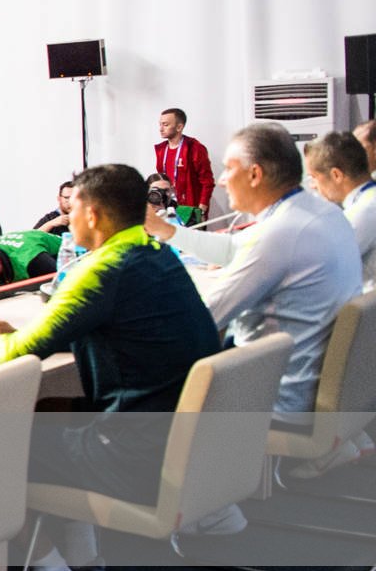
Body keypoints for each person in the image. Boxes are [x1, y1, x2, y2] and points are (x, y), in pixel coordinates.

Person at [0, 163, 222, 571]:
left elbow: (14, 355)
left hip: (133, 456)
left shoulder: (100, 270)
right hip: (183, 444)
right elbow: (114, 324)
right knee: (57, 420)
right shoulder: (156, 253)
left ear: (96, 213)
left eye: (75, 208)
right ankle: (87, 565)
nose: (68, 218)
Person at [148, 122, 361, 418]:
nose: (222, 181)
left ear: (254, 174)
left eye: (228, 169)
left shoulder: (281, 233)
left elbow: (205, 316)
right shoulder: (318, 212)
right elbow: (231, 249)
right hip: (308, 382)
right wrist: (165, 230)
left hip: (273, 397)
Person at [304, 131, 376, 289]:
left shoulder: (362, 213)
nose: (312, 186)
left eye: (314, 177)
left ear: (336, 175)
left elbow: (318, 269)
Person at [154, 108, 215, 224]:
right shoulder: (161, 149)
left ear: (179, 127)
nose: (161, 129)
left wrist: (201, 210)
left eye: (165, 125)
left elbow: (207, 182)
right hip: (169, 208)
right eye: (160, 124)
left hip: (191, 209)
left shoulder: (194, 148)